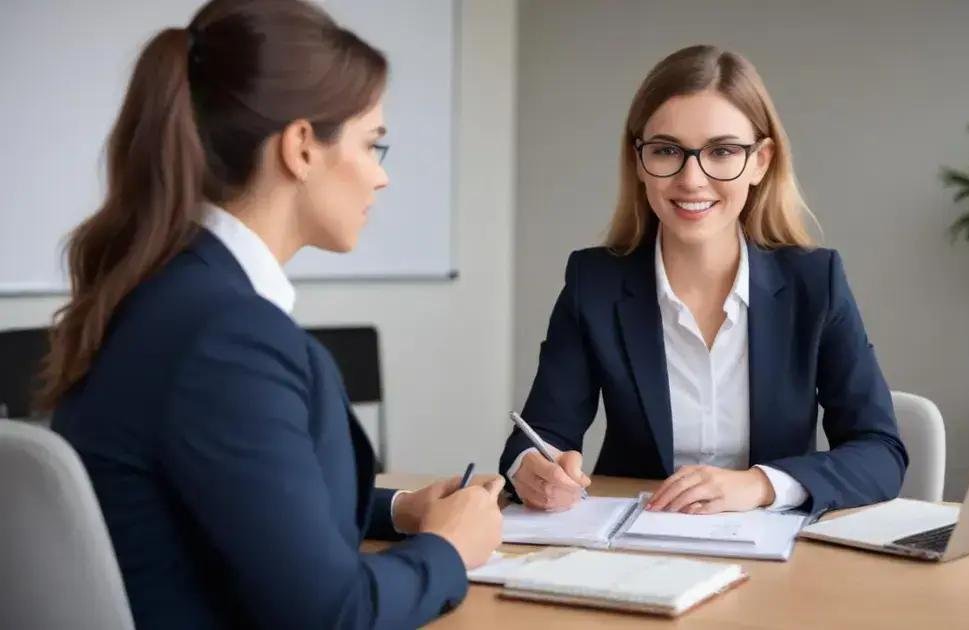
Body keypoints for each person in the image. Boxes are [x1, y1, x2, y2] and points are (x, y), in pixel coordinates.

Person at [43, 1, 502, 628]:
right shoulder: (225, 338)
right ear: (302, 148)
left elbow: (243, 500)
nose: (381, 177)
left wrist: (402, 512)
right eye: (374, 145)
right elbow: (332, 614)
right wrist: (448, 550)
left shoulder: (167, 296)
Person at [500, 45, 907, 519]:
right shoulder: (595, 283)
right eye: (667, 150)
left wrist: (759, 485)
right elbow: (537, 438)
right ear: (639, 160)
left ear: (761, 161)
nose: (692, 179)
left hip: (776, 559)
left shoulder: (815, 283)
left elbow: (880, 453)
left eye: (722, 151)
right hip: (637, 551)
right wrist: (533, 469)